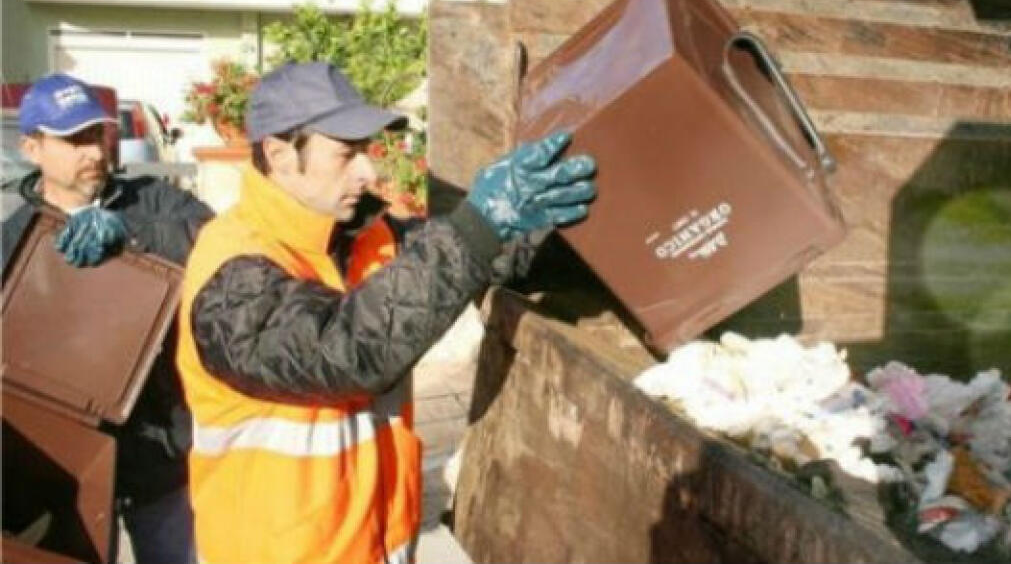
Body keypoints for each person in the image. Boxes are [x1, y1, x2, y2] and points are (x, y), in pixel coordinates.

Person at [176, 61, 596, 563]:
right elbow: (344, 351)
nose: (367, 171)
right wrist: (480, 224)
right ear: (279, 153)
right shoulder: (230, 274)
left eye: (366, 151)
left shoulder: (364, 236)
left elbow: (479, 258)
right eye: (345, 152)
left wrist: (556, 228)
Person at [2, 73, 213, 563]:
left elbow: (216, 243)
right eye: (74, 140)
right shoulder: (15, 238)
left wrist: (132, 239)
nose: (94, 152)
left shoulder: (155, 201)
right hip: (64, 461)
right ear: (33, 148)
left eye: (97, 135)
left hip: (159, 446)